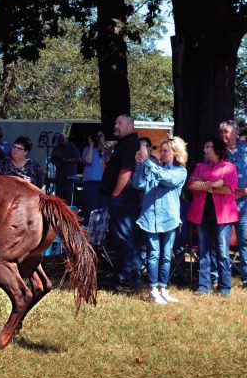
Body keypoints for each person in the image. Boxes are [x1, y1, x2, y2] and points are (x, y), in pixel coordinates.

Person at [132, 137, 187, 305]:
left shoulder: (180, 171)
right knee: (154, 254)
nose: (161, 154)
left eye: (165, 151)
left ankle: (163, 289)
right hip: (151, 217)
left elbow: (166, 178)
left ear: (176, 153)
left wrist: (147, 160)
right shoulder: (155, 168)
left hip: (169, 218)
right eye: (161, 150)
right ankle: (153, 290)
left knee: (166, 255)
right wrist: (140, 163)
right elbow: (137, 183)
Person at [186, 138, 239, 295]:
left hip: (223, 216)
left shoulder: (229, 167)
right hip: (202, 214)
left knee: (222, 252)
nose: (205, 150)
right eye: (204, 147)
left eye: (208, 147)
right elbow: (190, 185)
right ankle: (204, 286)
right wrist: (212, 184)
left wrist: (203, 184)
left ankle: (224, 287)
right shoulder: (200, 166)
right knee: (204, 250)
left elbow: (229, 190)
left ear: (217, 149)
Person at [101, 114, 142, 291]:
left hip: (123, 200)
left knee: (125, 238)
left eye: (119, 123)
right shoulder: (124, 144)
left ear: (130, 125)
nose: (115, 125)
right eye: (115, 122)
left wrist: (116, 195)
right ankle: (132, 278)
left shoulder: (131, 144)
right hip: (122, 199)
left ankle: (125, 280)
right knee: (126, 238)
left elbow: (126, 171)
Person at [218, 120, 247, 287]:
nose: (223, 135)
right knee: (221, 242)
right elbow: (209, 174)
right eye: (221, 132)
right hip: (223, 204)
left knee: (245, 241)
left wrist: (245, 191)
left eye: (226, 132)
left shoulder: (246, 150)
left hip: (244, 204)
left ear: (236, 133)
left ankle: (246, 279)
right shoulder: (217, 151)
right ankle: (222, 281)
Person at [50, 133, 81, 203]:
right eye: (59, 139)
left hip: (69, 176)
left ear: (66, 139)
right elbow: (52, 159)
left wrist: (68, 160)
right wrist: (58, 163)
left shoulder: (71, 147)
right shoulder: (56, 148)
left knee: (69, 196)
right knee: (59, 197)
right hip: (59, 176)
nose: (61, 141)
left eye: (62, 139)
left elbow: (78, 158)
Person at [82, 131, 106, 214]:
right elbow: (88, 161)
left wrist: (103, 146)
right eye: (97, 136)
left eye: (101, 136)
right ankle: (89, 225)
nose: (99, 138)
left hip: (104, 183)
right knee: (91, 208)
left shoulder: (107, 151)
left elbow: (111, 163)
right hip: (90, 182)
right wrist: (91, 145)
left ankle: (101, 227)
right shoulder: (87, 149)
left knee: (103, 208)